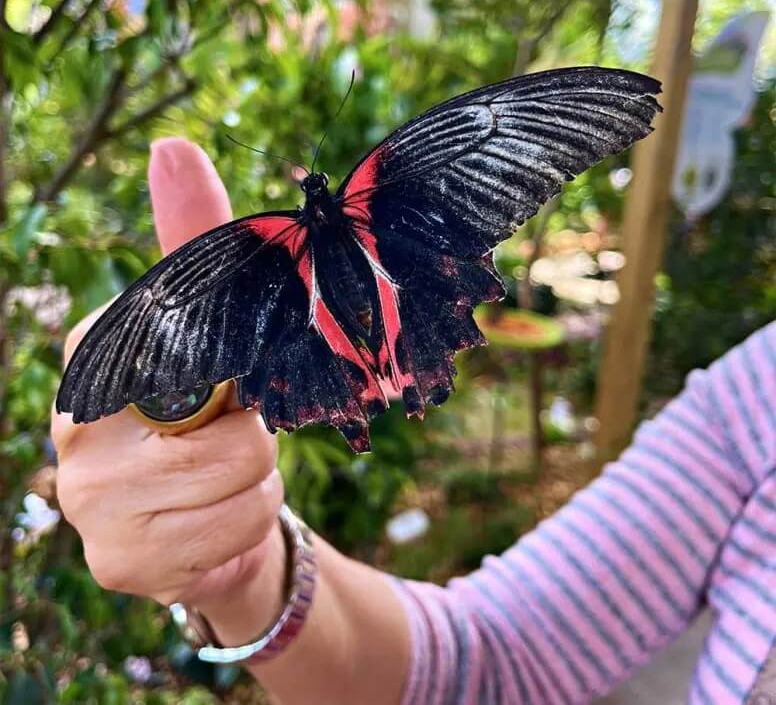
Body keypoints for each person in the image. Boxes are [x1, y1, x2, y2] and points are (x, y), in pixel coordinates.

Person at [52, 138, 776, 705]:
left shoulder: (291, 231)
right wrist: (243, 573)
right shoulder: (756, 398)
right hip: (369, 311)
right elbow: (490, 663)